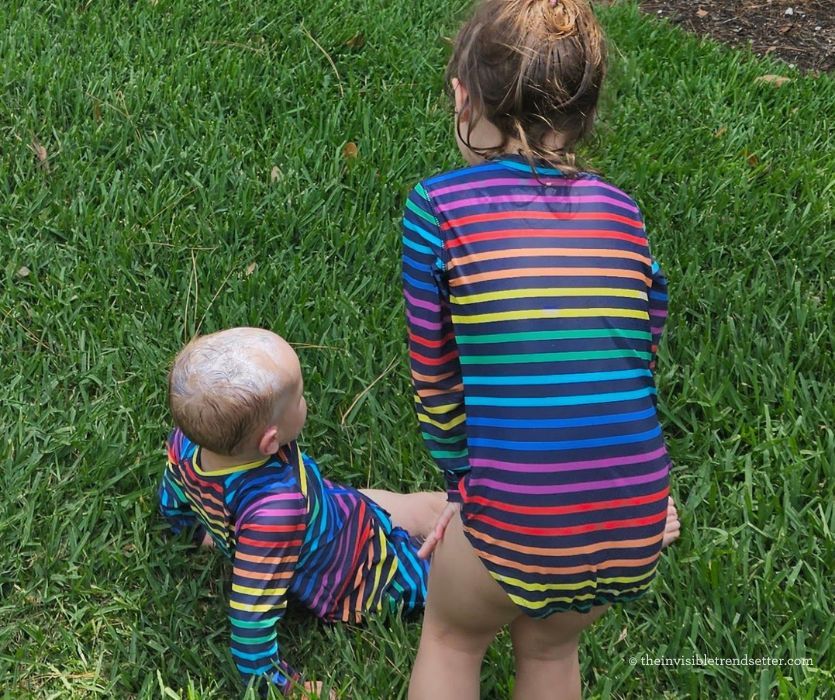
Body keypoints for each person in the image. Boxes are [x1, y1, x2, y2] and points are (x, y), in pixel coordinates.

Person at [401, 1, 680, 697]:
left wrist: (463, 490)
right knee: (552, 655)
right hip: (633, 511)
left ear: (461, 96)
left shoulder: (436, 207)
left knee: (453, 635)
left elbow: (434, 376)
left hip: (517, 513)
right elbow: (643, 335)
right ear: (584, 114)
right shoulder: (622, 209)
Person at [158, 327, 443, 696]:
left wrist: (191, 530)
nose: (305, 401)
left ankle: (472, 508)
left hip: (337, 509)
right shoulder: (272, 514)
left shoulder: (185, 446)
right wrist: (280, 685)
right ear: (270, 441)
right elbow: (250, 618)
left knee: (422, 507)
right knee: (442, 576)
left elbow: (174, 492)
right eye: (300, 397)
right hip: (358, 571)